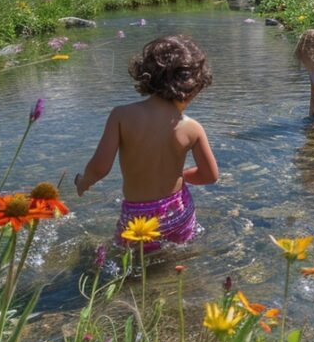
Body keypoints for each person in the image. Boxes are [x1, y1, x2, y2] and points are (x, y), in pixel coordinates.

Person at [75, 35, 219, 249]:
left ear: (146, 76)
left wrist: (84, 182)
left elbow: (100, 167)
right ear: (193, 87)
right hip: (178, 212)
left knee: (128, 265)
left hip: (138, 218)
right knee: (178, 260)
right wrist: (181, 176)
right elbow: (210, 175)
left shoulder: (121, 116)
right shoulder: (192, 128)